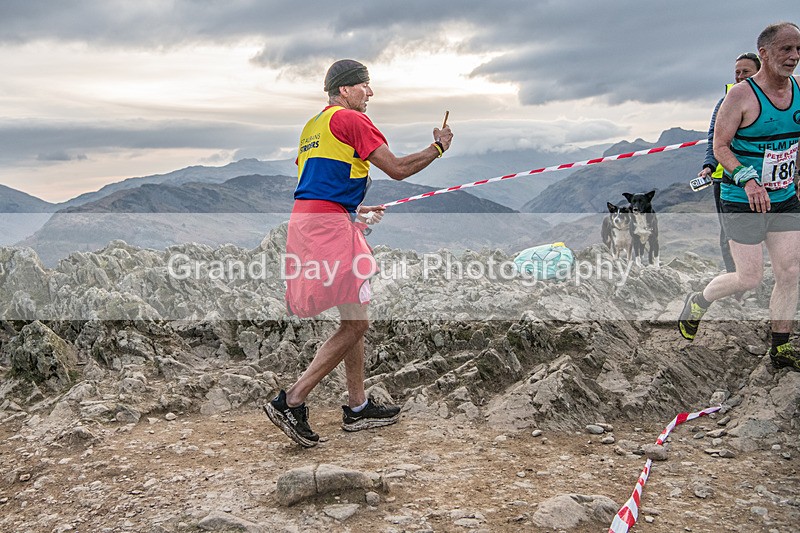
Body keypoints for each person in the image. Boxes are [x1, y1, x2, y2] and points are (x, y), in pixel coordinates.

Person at [264, 59, 454, 447]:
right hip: (330, 226)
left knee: (355, 316)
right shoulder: (352, 120)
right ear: (346, 90)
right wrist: (437, 147)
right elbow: (398, 169)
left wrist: (355, 210)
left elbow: (316, 180)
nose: (371, 93)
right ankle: (293, 399)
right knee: (356, 324)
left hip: (310, 222)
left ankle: (357, 406)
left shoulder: (313, 126)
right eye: (365, 86)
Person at [679, 22, 800, 373]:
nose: (794, 57)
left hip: (783, 198)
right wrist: (747, 178)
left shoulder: (798, 92)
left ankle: (780, 348)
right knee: (749, 278)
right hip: (741, 198)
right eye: (786, 50)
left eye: (798, 50)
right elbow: (719, 146)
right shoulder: (740, 96)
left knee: (790, 272)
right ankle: (699, 300)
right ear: (764, 53)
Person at [697, 52, 761, 273]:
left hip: (764, 178)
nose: (740, 76)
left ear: (760, 72)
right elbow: (714, 138)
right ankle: (736, 280)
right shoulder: (725, 102)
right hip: (726, 180)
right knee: (729, 233)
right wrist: (709, 165)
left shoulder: (774, 100)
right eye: (737, 72)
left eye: (746, 72)